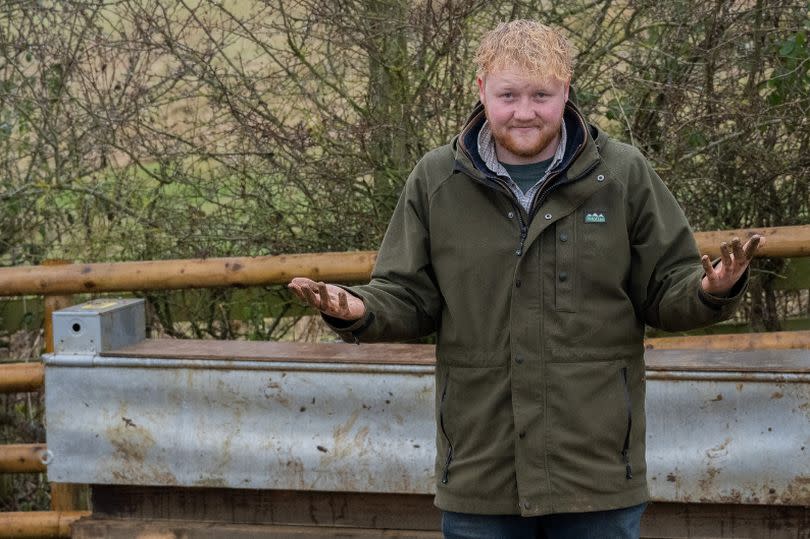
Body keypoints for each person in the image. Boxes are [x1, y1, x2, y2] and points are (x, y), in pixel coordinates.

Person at [288, 20, 762, 539]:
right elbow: (409, 296)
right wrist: (358, 309)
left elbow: (664, 291)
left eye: (542, 94)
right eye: (508, 94)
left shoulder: (623, 175)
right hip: (481, 468)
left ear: (566, 89)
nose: (524, 112)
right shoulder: (437, 180)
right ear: (481, 91)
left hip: (596, 469)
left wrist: (710, 290)